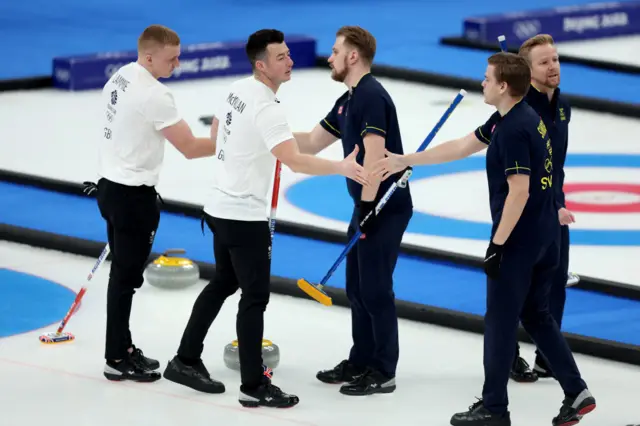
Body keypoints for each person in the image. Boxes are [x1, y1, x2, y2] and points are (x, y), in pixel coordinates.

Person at [373, 52, 595, 426]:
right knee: (537, 315)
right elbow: (462, 145)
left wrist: (498, 244)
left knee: (499, 323)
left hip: (520, 241)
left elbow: (519, 191)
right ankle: (576, 391)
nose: (482, 83)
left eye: (487, 78)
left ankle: (494, 407)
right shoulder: (519, 117)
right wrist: (404, 159)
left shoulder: (511, 130)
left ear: (504, 86)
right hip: (547, 237)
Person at [161, 29, 369, 408]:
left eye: (289, 55)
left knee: (223, 282)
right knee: (254, 297)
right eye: (281, 58)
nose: (289, 62)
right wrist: (341, 166)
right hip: (244, 216)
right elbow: (293, 158)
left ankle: (185, 359)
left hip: (220, 207)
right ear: (261, 65)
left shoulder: (237, 90)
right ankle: (253, 384)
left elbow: (219, 132)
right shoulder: (268, 107)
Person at [293, 25, 413, 396]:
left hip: (383, 206)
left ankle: (383, 369)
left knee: (375, 289)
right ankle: (360, 359)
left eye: (335, 51)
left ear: (353, 56)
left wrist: (366, 207)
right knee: (357, 288)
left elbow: (375, 158)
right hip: (365, 205)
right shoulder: (348, 99)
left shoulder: (371, 97)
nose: (329, 57)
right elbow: (312, 142)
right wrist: (267, 134)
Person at [96, 24, 216, 383]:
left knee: (122, 277)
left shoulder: (121, 76)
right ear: (149, 56)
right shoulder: (156, 95)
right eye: (172, 58)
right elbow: (192, 148)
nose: (177, 65)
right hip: (134, 197)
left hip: (110, 186)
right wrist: (231, 139)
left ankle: (123, 347)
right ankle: (116, 356)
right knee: (125, 279)